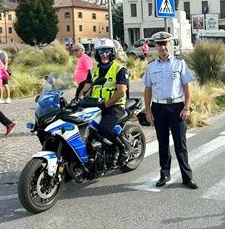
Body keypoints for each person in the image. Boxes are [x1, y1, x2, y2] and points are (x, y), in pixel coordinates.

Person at [143, 31, 197, 189]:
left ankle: (187, 177)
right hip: (158, 108)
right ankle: (164, 174)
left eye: (165, 43)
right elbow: (148, 89)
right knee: (163, 143)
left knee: (180, 144)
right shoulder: (151, 67)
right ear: (156, 47)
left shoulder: (179, 64)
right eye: (159, 44)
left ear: (170, 45)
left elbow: (187, 86)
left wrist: (186, 107)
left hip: (177, 107)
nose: (163, 47)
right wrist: (148, 110)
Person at [79, 38, 130, 166]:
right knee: (84, 126)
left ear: (112, 52)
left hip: (115, 106)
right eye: (101, 51)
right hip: (96, 106)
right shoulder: (93, 70)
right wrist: (79, 99)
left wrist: (106, 104)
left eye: (107, 51)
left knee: (103, 128)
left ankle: (123, 148)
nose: (104, 54)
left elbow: (121, 92)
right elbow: (86, 88)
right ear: (97, 53)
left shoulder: (120, 69)